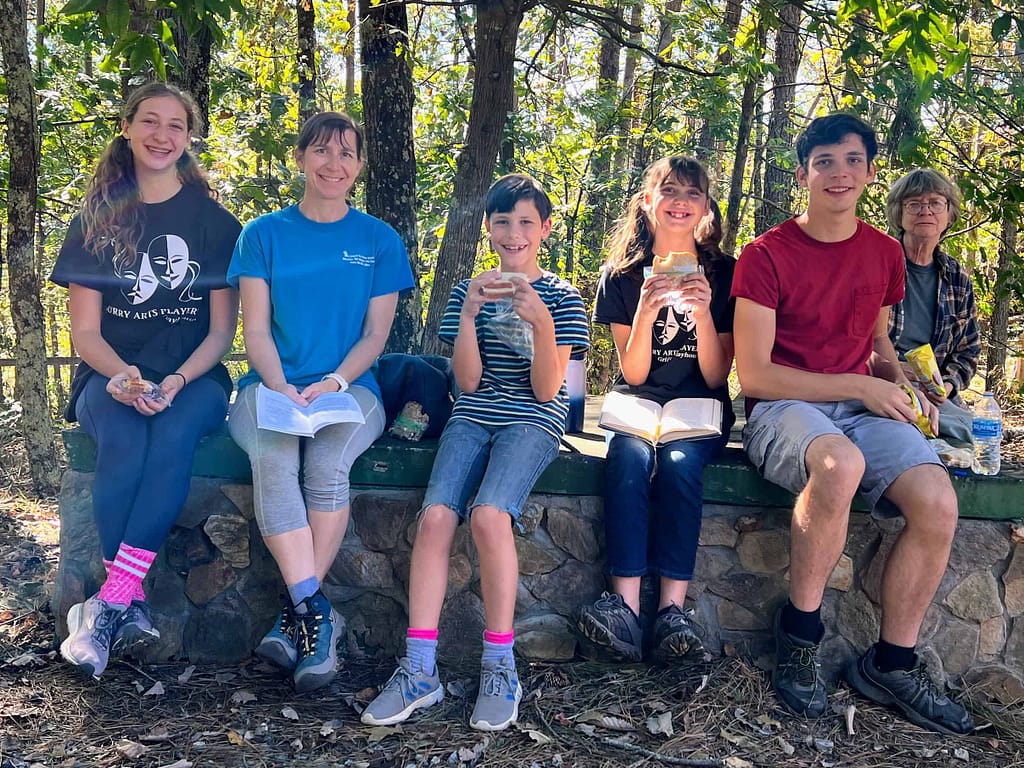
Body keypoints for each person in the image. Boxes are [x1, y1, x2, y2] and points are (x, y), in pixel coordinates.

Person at [731, 112, 973, 735]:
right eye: (824, 162)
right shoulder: (765, 254)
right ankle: (799, 638)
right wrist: (861, 384)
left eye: (852, 161)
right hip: (784, 406)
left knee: (938, 501)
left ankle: (891, 664)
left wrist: (906, 386)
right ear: (803, 173)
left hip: (859, 405)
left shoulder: (884, 253)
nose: (838, 173)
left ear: (869, 172)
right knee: (840, 466)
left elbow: (876, 342)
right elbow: (755, 375)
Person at [361, 174, 590, 731]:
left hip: (534, 417)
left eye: (526, 222)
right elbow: (466, 383)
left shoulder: (563, 297)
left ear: (545, 229)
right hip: (474, 412)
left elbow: (547, 390)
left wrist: (540, 321)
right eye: (503, 222)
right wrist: (467, 315)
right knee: (436, 517)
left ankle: (499, 666)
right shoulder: (472, 290)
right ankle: (419, 669)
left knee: (489, 516)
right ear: (488, 227)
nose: (514, 233)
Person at [51, 82, 241, 679]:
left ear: (189, 137)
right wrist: (121, 376)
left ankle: (107, 604)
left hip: (195, 377)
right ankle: (123, 601)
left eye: (176, 125)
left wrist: (177, 380)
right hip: (109, 374)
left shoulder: (216, 224)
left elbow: (220, 333)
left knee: (174, 434)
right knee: (126, 435)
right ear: (128, 128)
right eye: (150, 121)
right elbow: (85, 332)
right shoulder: (95, 220)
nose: (162, 135)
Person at [226, 112, 414, 692]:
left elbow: (375, 336)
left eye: (346, 153)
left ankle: (296, 618)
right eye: (322, 151)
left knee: (328, 464)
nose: (334, 164)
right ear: (301, 157)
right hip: (269, 387)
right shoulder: (262, 235)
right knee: (275, 458)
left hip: (351, 389)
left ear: (359, 166)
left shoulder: (378, 240)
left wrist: (333, 382)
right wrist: (279, 385)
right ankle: (315, 613)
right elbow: (255, 329)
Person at [573, 157, 735, 663]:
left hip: (699, 407)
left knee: (680, 466)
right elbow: (636, 371)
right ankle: (624, 607)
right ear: (648, 201)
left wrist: (703, 313)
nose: (680, 202)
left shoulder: (725, 273)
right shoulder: (620, 275)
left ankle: (671, 612)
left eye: (693, 193)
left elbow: (716, 375)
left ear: (706, 208)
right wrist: (646, 308)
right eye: (669, 191)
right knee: (628, 459)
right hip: (639, 402)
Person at [885, 168, 980, 444]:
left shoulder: (956, 278)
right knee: (909, 430)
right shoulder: (878, 263)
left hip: (934, 394)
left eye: (935, 203)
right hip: (882, 383)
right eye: (914, 204)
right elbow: (850, 337)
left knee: (974, 433)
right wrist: (893, 368)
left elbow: (968, 351)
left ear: (949, 214)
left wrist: (946, 385)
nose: (925, 211)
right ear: (899, 214)